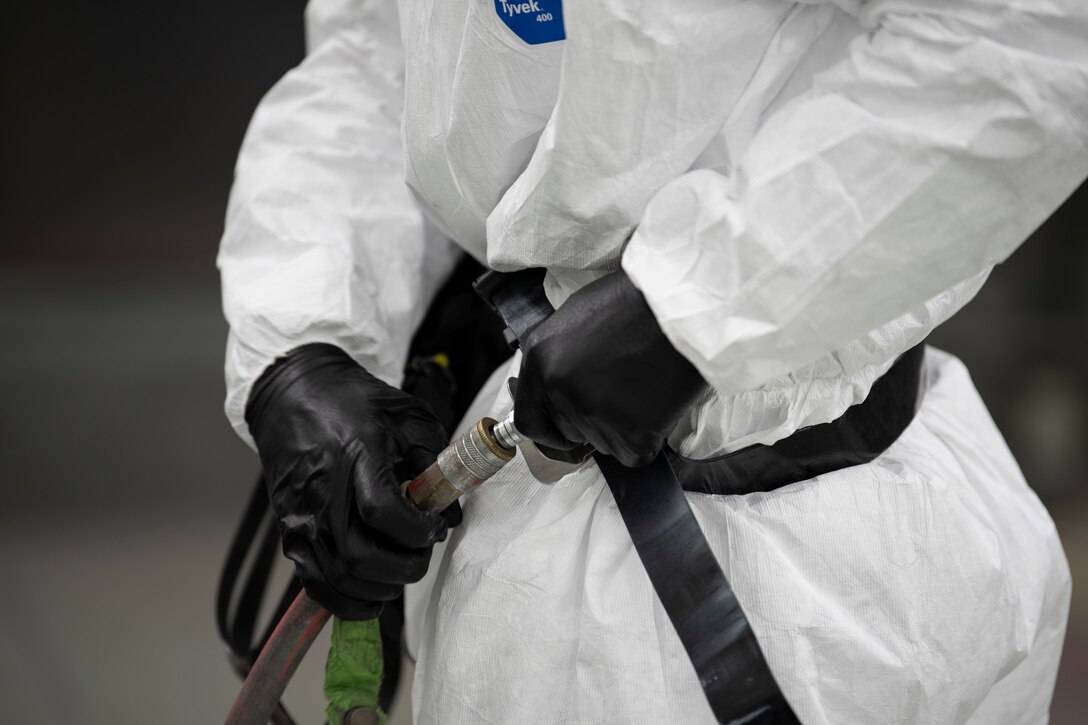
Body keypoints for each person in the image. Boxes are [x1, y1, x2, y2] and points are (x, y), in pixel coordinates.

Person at [218, 0, 1086, 721]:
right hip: (520, 541)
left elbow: (1024, 40)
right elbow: (381, 58)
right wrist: (303, 344)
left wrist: (703, 295)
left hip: (844, 574)